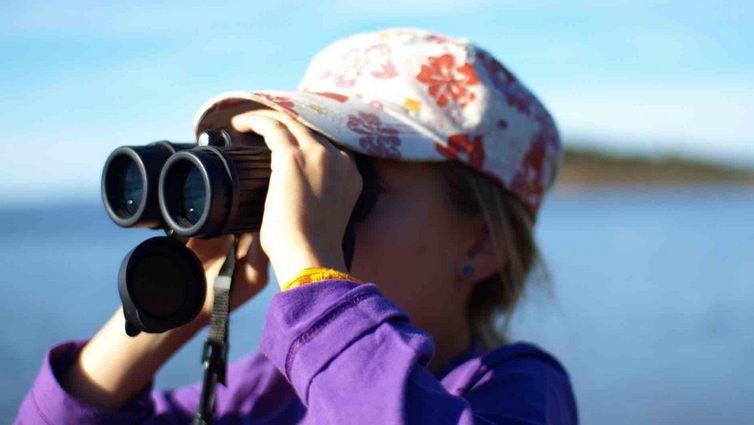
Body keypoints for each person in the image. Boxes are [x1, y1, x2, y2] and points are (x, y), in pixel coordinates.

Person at [16, 28, 578, 424]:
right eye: (309, 173)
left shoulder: (515, 386)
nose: (303, 205)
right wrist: (188, 294)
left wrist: (313, 271)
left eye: (353, 179)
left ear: (481, 240)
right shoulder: (276, 386)